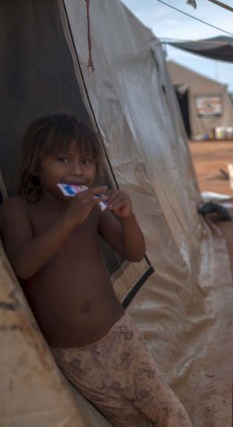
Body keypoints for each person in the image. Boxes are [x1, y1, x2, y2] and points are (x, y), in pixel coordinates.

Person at [0, 113, 192, 426]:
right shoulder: (19, 210)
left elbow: (134, 252)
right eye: (63, 159)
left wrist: (127, 217)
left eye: (87, 161)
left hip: (119, 334)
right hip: (71, 353)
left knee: (165, 409)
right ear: (36, 165)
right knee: (127, 419)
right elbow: (23, 265)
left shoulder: (94, 208)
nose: (77, 171)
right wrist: (68, 220)